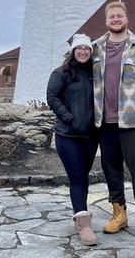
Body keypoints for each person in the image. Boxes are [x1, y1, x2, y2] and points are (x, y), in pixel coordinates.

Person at [93, 1, 135, 239]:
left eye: (119, 15)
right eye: (111, 16)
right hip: (106, 123)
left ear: (126, 19)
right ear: (106, 21)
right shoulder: (95, 48)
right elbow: (75, 70)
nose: (115, 19)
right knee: (111, 170)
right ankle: (119, 214)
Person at [46, 34, 99, 246]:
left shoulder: (95, 74)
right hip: (67, 136)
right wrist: (70, 118)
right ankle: (85, 225)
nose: (84, 51)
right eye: (80, 48)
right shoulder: (61, 73)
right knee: (77, 178)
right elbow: (52, 98)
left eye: (87, 48)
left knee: (82, 177)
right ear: (73, 51)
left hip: (90, 136)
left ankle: (80, 213)